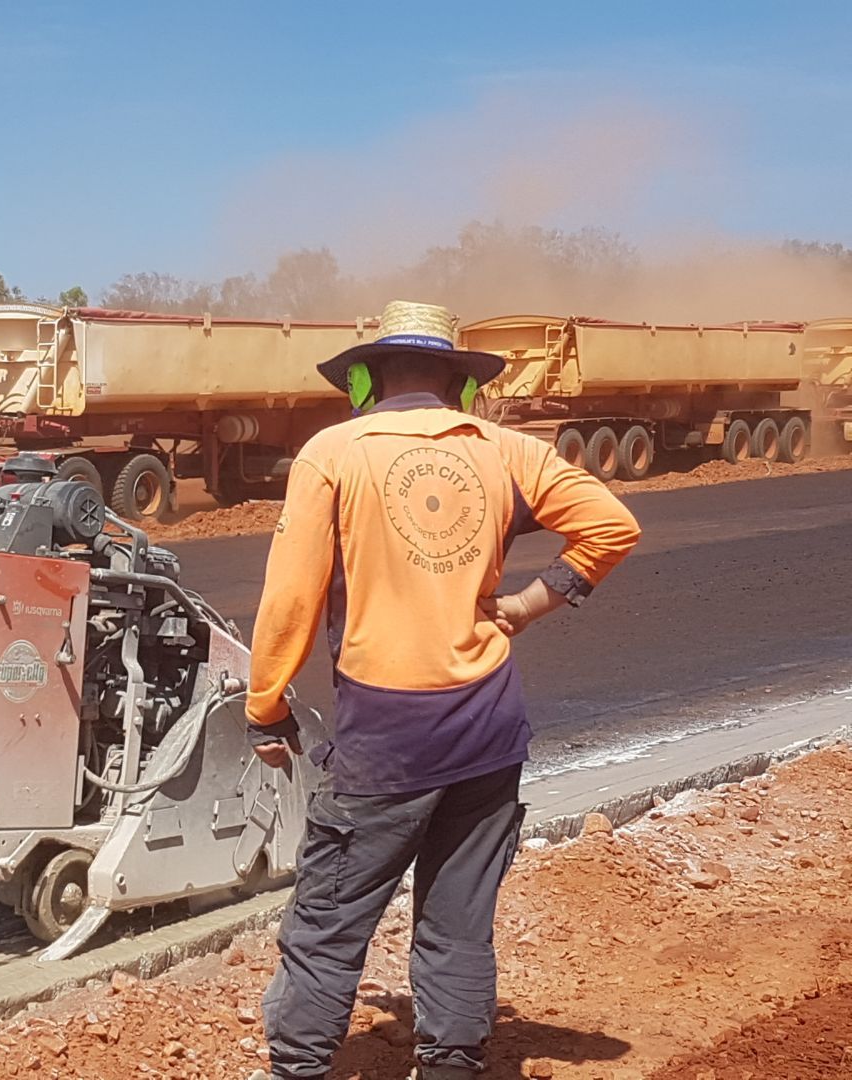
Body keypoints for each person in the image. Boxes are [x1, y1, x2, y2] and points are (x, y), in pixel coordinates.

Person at [244, 300, 641, 1080]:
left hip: (386, 739)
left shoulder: (334, 453)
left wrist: (267, 707)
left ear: (365, 377)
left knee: (328, 921)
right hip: (488, 732)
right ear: (459, 384)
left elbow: (291, 598)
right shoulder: (506, 453)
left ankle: (295, 1067)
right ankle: (452, 1064)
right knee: (458, 922)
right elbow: (611, 525)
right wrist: (531, 602)